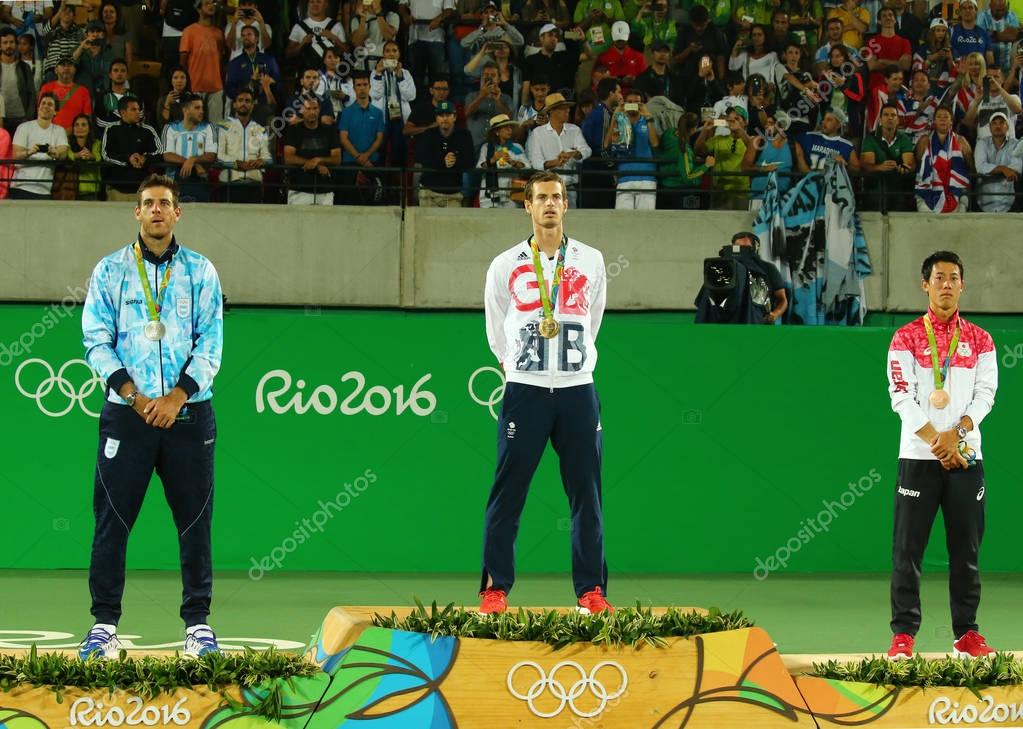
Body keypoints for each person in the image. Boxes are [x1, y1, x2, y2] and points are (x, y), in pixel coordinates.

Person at [78, 173, 224, 662]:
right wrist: (136, 397)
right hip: (127, 416)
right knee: (112, 521)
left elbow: (212, 344)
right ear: (136, 213)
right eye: (148, 204)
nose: (157, 210)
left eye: (165, 203)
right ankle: (103, 624)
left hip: (188, 416)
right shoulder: (110, 271)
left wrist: (177, 397)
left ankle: (198, 625)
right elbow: (96, 340)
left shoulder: (202, 272)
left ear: (177, 213)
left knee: (194, 522)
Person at [479, 170, 610, 616]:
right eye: (541, 198)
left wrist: (572, 365)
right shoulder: (504, 264)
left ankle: (591, 590)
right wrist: (517, 368)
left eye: (557, 197)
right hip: (526, 391)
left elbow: (593, 321)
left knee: (586, 495)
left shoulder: (591, 260)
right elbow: (496, 329)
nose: (550, 204)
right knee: (508, 491)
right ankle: (495, 589)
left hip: (577, 390)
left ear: (566, 204)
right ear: (528, 206)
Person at [885, 251, 997, 661]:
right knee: (907, 550)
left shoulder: (982, 339)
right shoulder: (906, 338)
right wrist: (937, 440)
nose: (946, 284)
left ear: (962, 285)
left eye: (953, 277)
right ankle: (904, 636)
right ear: (925, 284)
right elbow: (901, 395)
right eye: (939, 277)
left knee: (965, 551)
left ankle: (966, 633)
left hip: (966, 458)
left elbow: (986, 395)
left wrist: (957, 435)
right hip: (918, 457)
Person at [695, 231, 788, 324]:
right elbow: (706, 302)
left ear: (755, 249)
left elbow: (782, 299)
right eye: (738, 247)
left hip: (757, 324)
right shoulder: (721, 268)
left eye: (746, 248)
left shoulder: (768, 269)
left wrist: (774, 314)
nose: (741, 251)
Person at [526, 93, 591, 207]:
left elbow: (586, 150)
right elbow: (535, 162)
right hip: (547, 188)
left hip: (569, 188)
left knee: (572, 223)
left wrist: (573, 154)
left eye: (567, 108)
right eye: (562, 109)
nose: (567, 111)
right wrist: (555, 162)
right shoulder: (538, 134)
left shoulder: (574, 130)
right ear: (551, 111)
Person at [102, 96, 163, 202]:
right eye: (133, 109)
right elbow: (106, 155)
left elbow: (160, 152)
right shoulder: (111, 129)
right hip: (117, 189)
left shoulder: (148, 130)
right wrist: (128, 159)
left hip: (143, 189)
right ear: (123, 112)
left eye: (139, 109)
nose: (138, 112)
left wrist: (145, 158)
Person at [216, 88, 272, 204]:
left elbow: (269, 158)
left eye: (247, 101)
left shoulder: (260, 130)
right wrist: (237, 164)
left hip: (254, 184)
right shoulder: (223, 127)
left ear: (252, 105)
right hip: (229, 183)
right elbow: (219, 156)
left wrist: (261, 161)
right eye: (240, 100)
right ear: (234, 104)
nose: (243, 103)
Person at [415, 99, 475, 205]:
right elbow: (422, 159)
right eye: (441, 115)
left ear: (455, 117)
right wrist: (444, 161)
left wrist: (455, 161)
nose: (445, 118)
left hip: (453, 194)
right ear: (436, 118)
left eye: (448, 114)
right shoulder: (428, 134)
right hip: (428, 192)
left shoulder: (464, 135)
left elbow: (470, 162)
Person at [283, 96, 341, 205]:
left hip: (325, 190)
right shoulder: (293, 130)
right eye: (308, 108)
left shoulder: (329, 131)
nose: (312, 112)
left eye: (315, 108)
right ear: (302, 110)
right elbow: (288, 158)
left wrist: (317, 160)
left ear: (320, 110)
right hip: (299, 190)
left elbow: (337, 158)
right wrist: (313, 164)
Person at [338, 72, 386, 202]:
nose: (362, 87)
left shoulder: (378, 113)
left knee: (373, 205)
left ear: (370, 87)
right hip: (350, 164)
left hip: (372, 163)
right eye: (358, 85)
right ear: (354, 88)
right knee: (348, 204)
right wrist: (359, 157)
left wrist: (366, 157)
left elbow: (379, 138)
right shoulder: (346, 113)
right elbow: (343, 138)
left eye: (365, 84)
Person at [9, 93, 68, 199]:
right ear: (38, 107)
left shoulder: (59, 131)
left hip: (44, 190)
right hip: (20, 187)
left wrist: (54, 152)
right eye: (43, 103)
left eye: (50, 104)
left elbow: (63, 153)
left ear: (55, 111)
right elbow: (15, 156)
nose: (45, 106)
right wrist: (30, 152)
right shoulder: (23, 127)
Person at [915, 105, 972, 212]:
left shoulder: (961, 141)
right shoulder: (924, 140)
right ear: (934, 121)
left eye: (946, 116)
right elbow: (919, 167)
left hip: (956, 193)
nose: (942, 119)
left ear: (951, 121)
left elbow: (971, 167)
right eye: (939, 116)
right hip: (929, 192)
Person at [609, 90, 659, 209]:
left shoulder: (648, 121)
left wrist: (648, 118)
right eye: (630, 102)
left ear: (642, 104)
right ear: (624, 104)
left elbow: (655, 143)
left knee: (646, 221)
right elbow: (608, 143)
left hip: (647, 177)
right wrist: (615, 117)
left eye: (637, 102)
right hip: (625, 177)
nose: (633, 105)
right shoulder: (620, 121)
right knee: (622, 221)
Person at [695, 105, 752, 210]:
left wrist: (739, 129)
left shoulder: (750, 140)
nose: (733, 121)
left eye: (737, 119)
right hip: (719, 192)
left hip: (740, 193)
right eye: (730, 119)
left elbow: (750, 145)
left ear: (745, 123)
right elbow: (698, 151)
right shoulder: (718, 139)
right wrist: (705, 130)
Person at [180, 0, 228, 124]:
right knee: (195, 125)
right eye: (207, 3)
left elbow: (221, 60)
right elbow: (183, 61)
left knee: (216, 127)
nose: (211, 6)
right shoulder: (189, 31)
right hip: (195, 85)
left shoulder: (219, 33)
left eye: (213, 3)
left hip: (216, 86)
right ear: (199, 9)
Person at [861, 103, 916, 210]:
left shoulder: (904, 139)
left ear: (898, 120)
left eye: (893, 115)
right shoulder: (870, 139)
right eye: (886, 115)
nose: (890, 118)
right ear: (880, 119)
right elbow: (865, 165)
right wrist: (879, 167)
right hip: (876, 184)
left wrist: (905, 168)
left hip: (897, 182)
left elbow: (910, 163)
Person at [371, 40, 417, 165]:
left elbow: (411, 96)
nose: (391, 54)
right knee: (380, 152)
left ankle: (398, 182)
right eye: (388, 51)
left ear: (399, 54)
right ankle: (379, 180)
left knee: (399, 153)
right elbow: (375, 95)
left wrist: (400, 76)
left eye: (394, 51)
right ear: (383, 54)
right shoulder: (375, 73)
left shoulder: (406, 74)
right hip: (382, 118)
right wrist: (379, 74)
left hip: (400, 119)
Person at [223, 25, 280, 126]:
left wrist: (269, 81)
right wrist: (249, 84)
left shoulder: (269, 60)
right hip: (243, 106)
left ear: (257, 38)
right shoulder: (235, 62)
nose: (245, 37)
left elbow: (279, 84)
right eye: (243, 35)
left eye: (249, 34)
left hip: (264, 105)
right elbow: (229, 90)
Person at [657, 111, 714, 210]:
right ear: (693, 129)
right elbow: (688, 176)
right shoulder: (684, 150)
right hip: (680, 192)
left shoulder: (668, 133)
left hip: (663, 188)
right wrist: (706, 165)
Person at [398, 0, 456, 91]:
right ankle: (417, 103)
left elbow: (449, 9)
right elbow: (402, 4)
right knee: (415, 78)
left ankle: (435, 104)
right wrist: (406, 16)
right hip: (415, 37)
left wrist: (439, 18)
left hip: (436, 38)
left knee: (437, 78)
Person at [742, 112, 794, 211]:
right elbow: (744, 168)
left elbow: (803, 169)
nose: (766, 126)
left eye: (770, 123)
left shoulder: (793, 146)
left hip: (784, 200)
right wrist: (763, 169)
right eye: (766, 123)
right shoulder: (757, 142)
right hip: (759, 198)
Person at [477, 113, 527, 207]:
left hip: (511, 196)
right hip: (489, 196)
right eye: (505, 128)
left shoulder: (517, 147)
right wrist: (493, 159)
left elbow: (527, 167)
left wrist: (513, 163)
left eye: (510, 127)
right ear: (497, 132)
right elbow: (479, 168)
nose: (509, 130)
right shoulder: (487, 148)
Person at [974, 110, 1020, 212]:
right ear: (990, 128)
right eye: (994, 123)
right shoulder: (982, 143)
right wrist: (1003, 169)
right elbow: (980, 167)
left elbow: (1017, 167)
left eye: (1001, 123)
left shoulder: (1016, 144)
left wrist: (993, 170)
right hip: (983, 202)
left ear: (1007, 127)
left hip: (1008, 202)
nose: (998, 126)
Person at [962, 66, 1021, 140]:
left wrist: (999, 88)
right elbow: (967, 122)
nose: (992, 80)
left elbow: (1018, 109)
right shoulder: (978, 100)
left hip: (1008, 143)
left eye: (996, 77)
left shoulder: (1012, 97)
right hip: (984, 144)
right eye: (989, 77)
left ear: (1003, 79)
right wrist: (977, 101)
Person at [287, 0, 348, 72]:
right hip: (307, 76)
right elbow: (288, 54)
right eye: (312, 2)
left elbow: (347, 52)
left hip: (331, 75)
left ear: (326, 4)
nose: (315, 5)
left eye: (319, 2)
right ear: (308, 4)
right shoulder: (298, 26)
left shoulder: (336, 26)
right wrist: (302, 44)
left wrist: (334, 38)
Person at [794, 109, 861, 171]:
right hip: (808, 180)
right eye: (824, 119)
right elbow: (792, 142)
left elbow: (856, 168)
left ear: (838, 125)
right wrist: (803, 165)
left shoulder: (847, 145)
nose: (824, 122)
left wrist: (844, 164)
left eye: (829, 120)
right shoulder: (808, 136)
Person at [38, 56, 90, 131]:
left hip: (75, 136)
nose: (66, 68)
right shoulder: (46, 88)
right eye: (62, 65)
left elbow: (86, 118)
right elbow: (41, 116)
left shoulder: (83, 91)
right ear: (55, 70)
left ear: (75, 70)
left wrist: (70, 131)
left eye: (70, 65)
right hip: (51, 135)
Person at [0, 27, 36, 134]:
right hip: (1, 118)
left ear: (16, 44)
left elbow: (32, 93)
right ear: (0, 46)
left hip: (21, 119)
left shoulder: (24, 68)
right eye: (5, 42)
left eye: (11, 42)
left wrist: (28, 117)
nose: (8, 45)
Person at [597, 21, 646, 96]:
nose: (620, 41)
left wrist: (634, 80)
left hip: (633, 97)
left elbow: (644, 80)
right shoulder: (603, 57)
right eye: (617, 38)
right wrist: (615, 80)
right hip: (610, 97)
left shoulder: (639, 57)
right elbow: (598, 82)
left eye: (622, 38)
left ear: (628, 35)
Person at [41, 3, 84, 81]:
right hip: (53, 68)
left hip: (74, 70)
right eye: (64, 11)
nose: (67, 13)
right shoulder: (52, 31)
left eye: (70, 11)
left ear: (74, 16)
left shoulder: (79, 32)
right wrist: (60, 10)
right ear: (59, 14)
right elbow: (44, 32)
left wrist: (89, 9)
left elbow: (92, 34)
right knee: (49, 77)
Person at [67, 113, 102, 200]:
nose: (80, 128)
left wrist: (91, 156)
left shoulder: (97, 143)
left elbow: (99, 157)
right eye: (76, 125)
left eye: (83, 125)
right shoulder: (66, 142)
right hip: (69, 189)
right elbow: (66, 154)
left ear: (89, 128)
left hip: (91, 189)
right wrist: (76, 155)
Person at [977, 0, 1019, 72]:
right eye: (998, 10)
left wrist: (993, 34)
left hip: (1007, 68)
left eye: (1003, 9)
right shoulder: (982, 16)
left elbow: (1013, 36)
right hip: (986, 69)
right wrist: (1004, 35)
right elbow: (981, 38)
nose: (1001, 12)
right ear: (990, 5)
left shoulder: (1011, 15)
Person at [94, 59, 134, 130]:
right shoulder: (101, 98)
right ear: (110, 75)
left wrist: (113, 116)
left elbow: (139, 120)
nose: (119, 74)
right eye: (116, 70)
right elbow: (99, 122)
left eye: (123, 71)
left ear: (127, 75)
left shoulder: (135, 97)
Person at [950, 0, 994, 67]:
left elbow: (990, 59)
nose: (967, 10)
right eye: (964, 8)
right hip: (957, 73)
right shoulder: (951, 31)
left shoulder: (984, 33)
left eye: (970, 8)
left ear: (976, 11)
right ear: (960, 12)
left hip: (979, 73)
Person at [915, 18, 955, 90]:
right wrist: (932, 58)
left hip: (944, 89)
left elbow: (957, 74)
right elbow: (916, 70)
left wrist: (950, 59)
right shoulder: (923, 49)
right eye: (938, 30)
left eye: (943, 31)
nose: (941, 33)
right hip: (925, 87)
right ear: (932, 32)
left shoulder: (951, 50)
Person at [157, 66, 191, 134]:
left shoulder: (193, 99)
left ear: (187, 80)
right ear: (171, 80)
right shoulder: (163, 100)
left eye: (182, 77)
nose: (179, 80)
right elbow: (162, 125)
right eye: (175, 78)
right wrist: (167, 104)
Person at [99, 3, 134, 68]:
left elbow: (129, 60)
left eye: (111, 12)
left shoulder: (125, 34)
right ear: (101, 15)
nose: (108, 14)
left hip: (118, 72)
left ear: (117, 15)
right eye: (105, 12)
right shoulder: (97, 33)